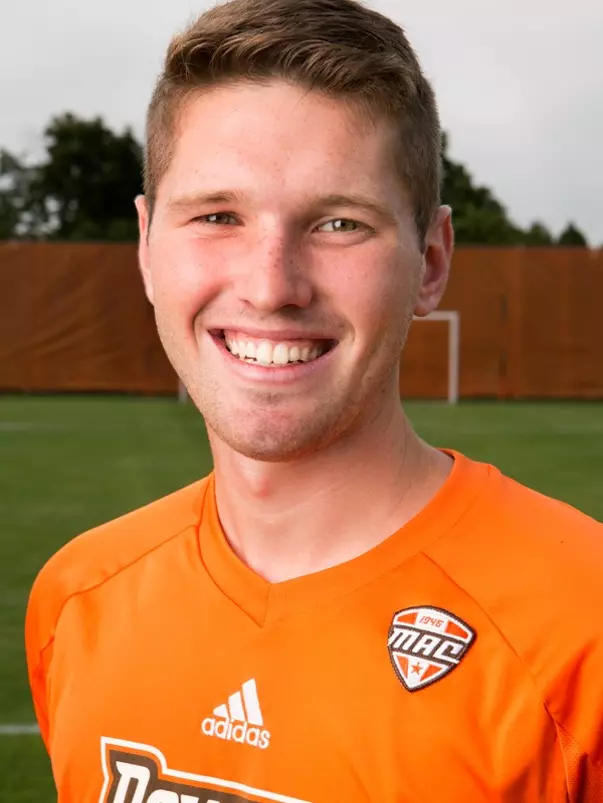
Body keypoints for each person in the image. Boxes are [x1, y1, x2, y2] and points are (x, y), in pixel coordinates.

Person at [25, 0, 603, 800]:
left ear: (431, 261)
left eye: (338, 222)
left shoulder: (582, 630)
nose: (271, 285)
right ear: (147, 247)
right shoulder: (79, 596)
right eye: (217, 215)